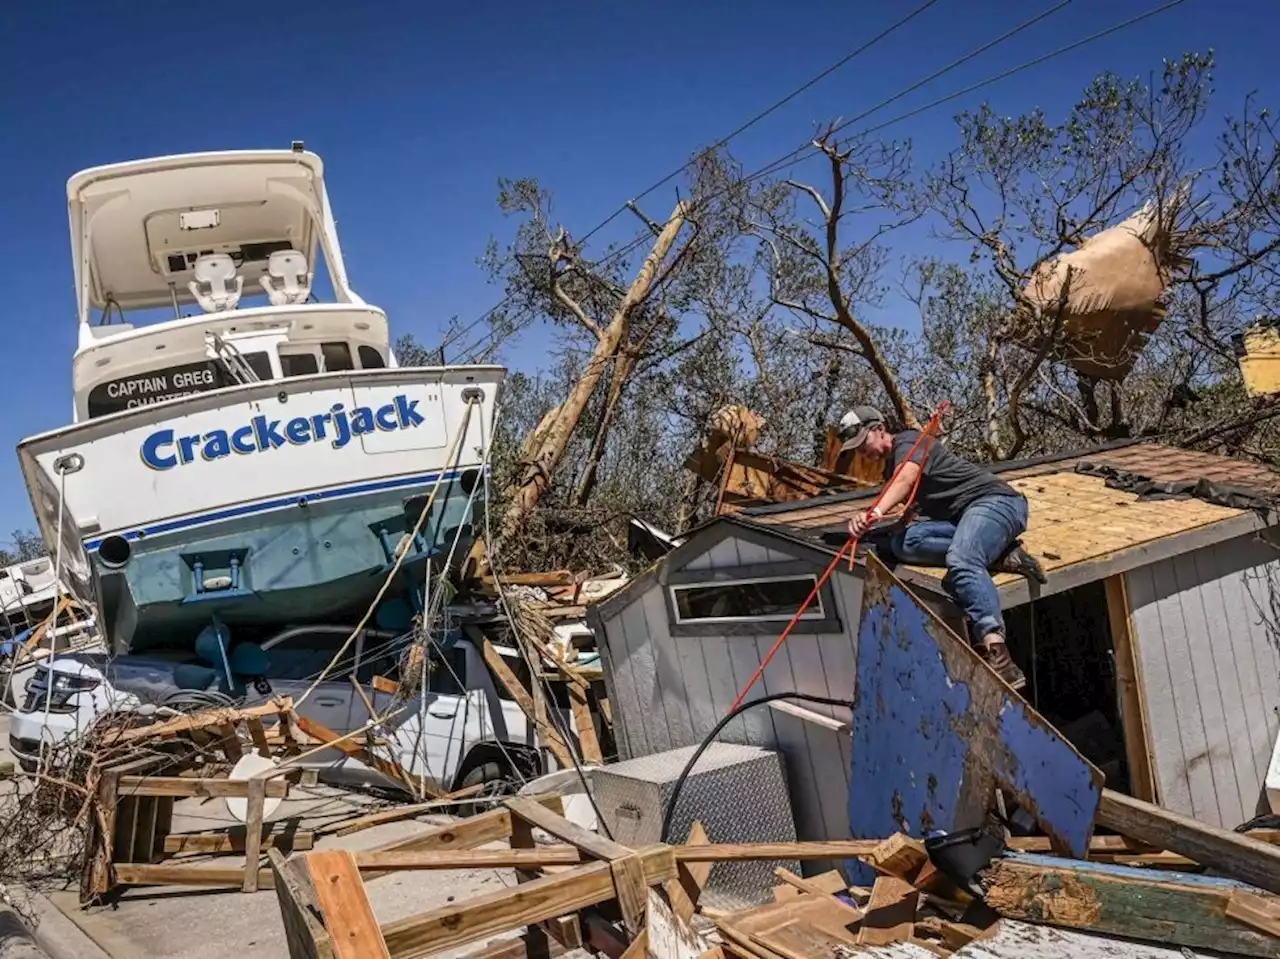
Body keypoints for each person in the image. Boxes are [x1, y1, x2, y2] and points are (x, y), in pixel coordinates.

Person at [838, 405, 1045, 689]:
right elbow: (905, 516)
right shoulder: (893, 470)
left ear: (879, 429)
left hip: (997, 504)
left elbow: (906, 478)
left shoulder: (910, 442)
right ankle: (999, 553)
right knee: (904, 543)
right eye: (856, 449)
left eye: (862, 443)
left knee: (961, 559)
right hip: (964, 521)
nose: (862, 452)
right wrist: (864, 530)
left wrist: (872, 512)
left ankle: (999, 655)